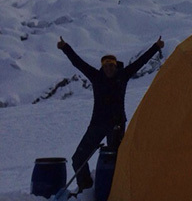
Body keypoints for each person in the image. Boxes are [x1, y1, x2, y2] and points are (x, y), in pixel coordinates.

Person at [57, 35, 165, 191]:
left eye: (111, 66)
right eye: (106, 66)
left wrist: (156, 47)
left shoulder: (123, 75)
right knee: (78, 158)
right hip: (97, 124)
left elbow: (141, 62)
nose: (109, 68)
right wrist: (65, 47)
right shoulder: (96, 77)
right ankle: (86, 189)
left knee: (117, 160)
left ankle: (116, 192)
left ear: (116, 66)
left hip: (117, 125)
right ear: (102, 67)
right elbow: (78, 63)